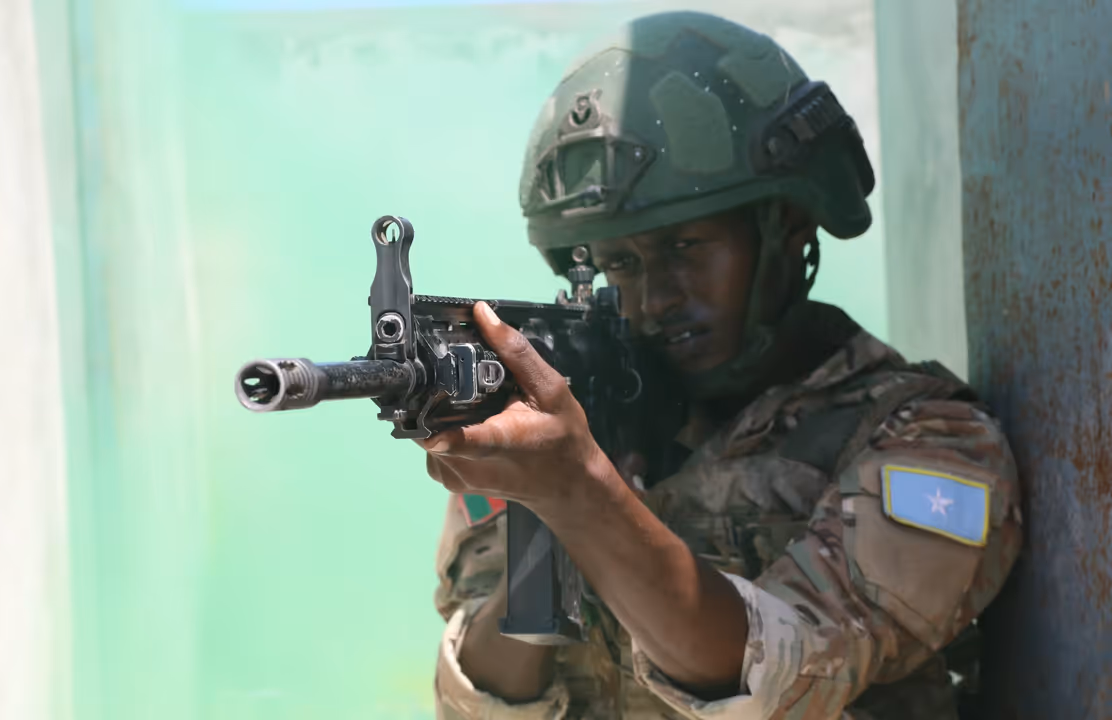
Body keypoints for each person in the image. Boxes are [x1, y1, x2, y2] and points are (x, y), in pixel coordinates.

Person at [419, 10, 1022, 720]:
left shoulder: (930, 443)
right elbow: (484, 707)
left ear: (786, 222)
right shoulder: (575, 428)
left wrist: (583, 495)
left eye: (685, 248)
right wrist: (547, 521)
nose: (653, 299)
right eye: (620, 263)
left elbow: (775, 678)